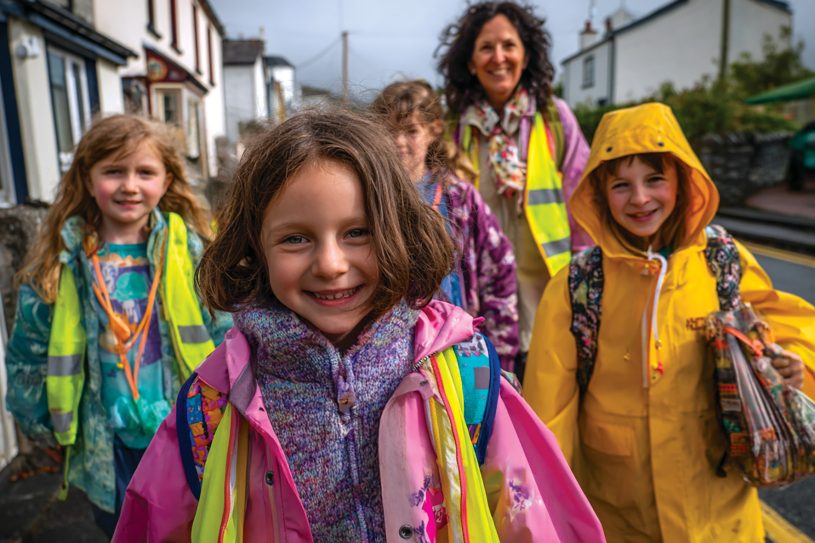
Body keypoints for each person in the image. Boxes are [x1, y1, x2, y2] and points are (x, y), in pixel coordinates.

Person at [112, 109, 605, 542]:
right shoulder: (214, 404)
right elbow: (158, 522)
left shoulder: (465, 381)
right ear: (253, 247)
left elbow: (529, 517)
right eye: (296, 239)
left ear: (401, 231)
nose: (330, 264)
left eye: (357, 232)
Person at [524, 102, 815, 541]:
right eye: (621, 185)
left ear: (683, 180)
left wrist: (795, 362)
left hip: (720, 514)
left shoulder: (721, 261)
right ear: (600, 194)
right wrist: (545, 513)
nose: (640, 198)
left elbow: (789, 325)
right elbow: (550, 413)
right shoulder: (577, 285)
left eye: (655, 179)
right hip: (618, 518)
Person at [4, 114, 232, 537]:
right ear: (88, 180)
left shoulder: (191, 251)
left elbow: (225, 331)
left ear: (166, 181)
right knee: (121, 528)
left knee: (189, 527)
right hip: (105, 441)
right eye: (113, 171)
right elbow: (28, 350)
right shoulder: (61, 261)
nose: (129, 185)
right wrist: (43, 422)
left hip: (185, 429)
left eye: (145, 172)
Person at [437, 1, 593, 379]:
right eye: (486, 48)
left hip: (550, 307)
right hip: (478, 314)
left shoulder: (555, 119)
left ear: (526, 55)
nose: (498, 57)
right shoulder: (451, 130)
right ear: (471, 62)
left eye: (509, 45)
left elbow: (586, 207)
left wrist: (586, 291)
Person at [371, 80, 519, 370]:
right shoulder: (369, 200)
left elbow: (499, 269)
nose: (398, 142)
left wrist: (500, 355)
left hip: (462, 353)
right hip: (392, 358)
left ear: (433, 131)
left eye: (410, 131)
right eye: (389, 131)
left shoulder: (460, 200)